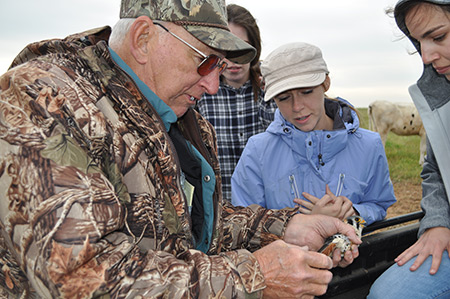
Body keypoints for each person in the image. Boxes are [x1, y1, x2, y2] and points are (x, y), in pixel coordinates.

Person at [0, 1, 362, 298]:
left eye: (221, 67)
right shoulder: (44, 101)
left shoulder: (184, 119)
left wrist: (286, 227)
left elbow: (198, 231)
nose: (213, 85)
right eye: (205, 61)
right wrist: (254, 275)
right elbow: (81, 279)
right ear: (143, 38)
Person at [231, 42, 396, 225]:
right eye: (283, 98)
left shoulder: (368, 145)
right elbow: (244, 221)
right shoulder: (257, 151)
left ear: (326, 83)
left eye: (307, 92)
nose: (297, 107)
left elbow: (379, 205)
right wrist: (300, 224)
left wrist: (353, 211)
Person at [368, 1, 450, 298]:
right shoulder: (440, 95)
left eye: (438, 37)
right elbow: (435, 168)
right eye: (418, 43)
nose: (426, 57)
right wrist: (438, 221)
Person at [196, 4, 277, 200]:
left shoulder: (275, 89)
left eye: (241, 46)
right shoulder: (198, 93)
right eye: (226, 47)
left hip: (272, 211)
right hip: (219, 213)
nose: (235, 58)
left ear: (254, 47)